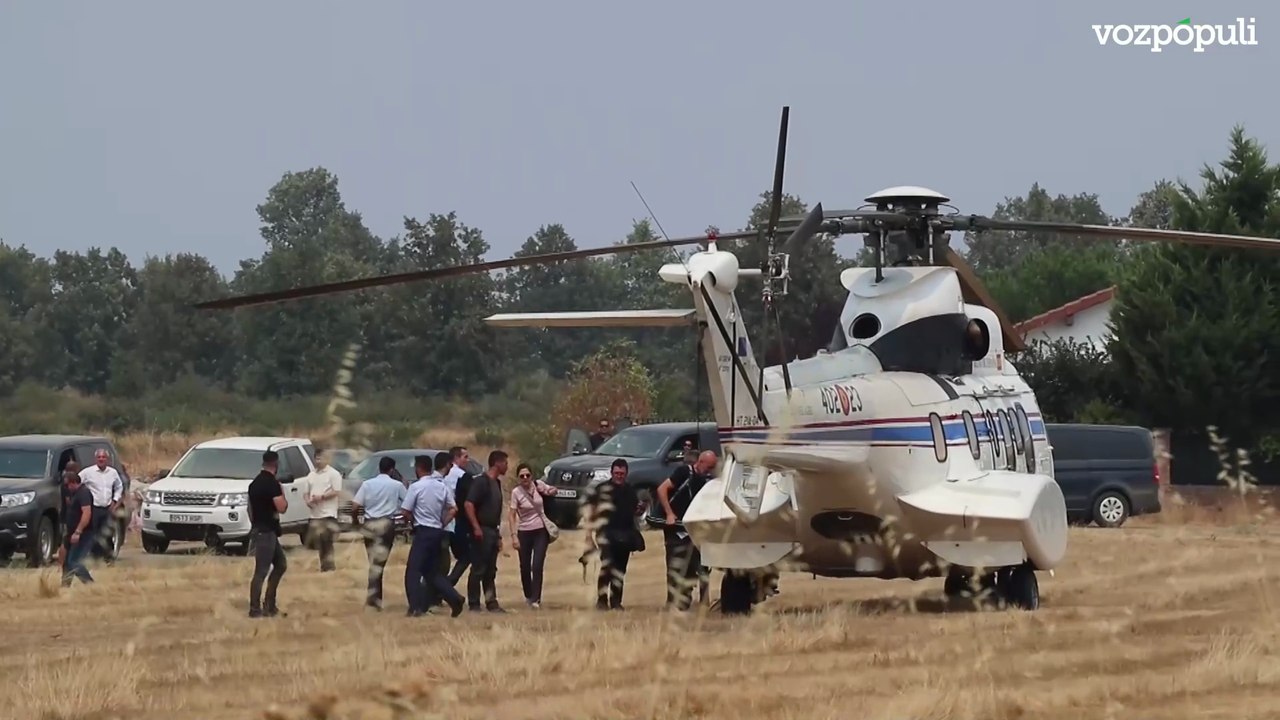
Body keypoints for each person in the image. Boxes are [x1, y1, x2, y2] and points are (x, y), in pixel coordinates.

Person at [401, 454, 465, 617]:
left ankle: (415, 607)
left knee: (413, 571)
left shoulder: (416, 487)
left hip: (423, 531)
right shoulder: (441, 486)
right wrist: (442, 522)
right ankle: (454, 598)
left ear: (418, 468)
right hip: (437, 531)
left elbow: (405, 511)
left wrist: (412, 521)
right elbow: (453, 509)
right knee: (432, 572)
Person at [657, 450, 717, 610]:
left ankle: (695, 602)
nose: (710, 470)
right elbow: (662, 489)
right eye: (709, 467)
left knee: (698, 566)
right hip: (676, 529)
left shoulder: (708, 480)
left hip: (696, 529)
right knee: (675, 565)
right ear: (701, 462)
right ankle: (672, 602)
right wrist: (670, 513)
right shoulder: (684, 472)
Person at [585, 458, 647, 610]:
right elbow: (591, 511)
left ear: (626, 473)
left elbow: (634, 513)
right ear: (611, 473)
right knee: (607, 567)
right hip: (605, 533)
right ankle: (601, 600)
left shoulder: (630, 490)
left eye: (622, 473)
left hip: (625, 534)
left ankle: (616, 601)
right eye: (616, 473)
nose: (619, 476)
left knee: (620, 570)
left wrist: (640, 508)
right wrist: (589, 535)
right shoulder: (602, 489)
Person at [351, 455, 408, 611]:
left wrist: (356, 521)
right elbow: (408, 502)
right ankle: (375, 599)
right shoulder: (396, 485)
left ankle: (373, 598)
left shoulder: (367, 484)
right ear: (392, 469)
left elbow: (355, 506)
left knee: (373, 562)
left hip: (369, 524)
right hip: (386, 524)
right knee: (379, 563)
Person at [509, 462, 560, 609]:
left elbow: (551, 491)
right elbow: (511, 514)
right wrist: (513, 536)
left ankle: (535, 598)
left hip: (540, 530)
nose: (525, 478)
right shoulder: (516, 493)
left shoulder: (538, 485)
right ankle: (528, 594)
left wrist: (552, 491)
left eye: (527, 475)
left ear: (532, 476)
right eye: (522, 476)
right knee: (524, 566)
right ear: (518, 478)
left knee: (537, 565)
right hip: (524, 531)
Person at [463, 450, 509, 613]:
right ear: (497, 463)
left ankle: (491, 601)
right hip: (481, 529)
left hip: (492, 530)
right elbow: (469, 504)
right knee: (478, 568)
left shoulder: (496, 483)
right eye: (505, 463)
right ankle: (474, 603)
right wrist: (476, 527)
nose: (507, 467)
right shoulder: (481, 482)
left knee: (490, 569)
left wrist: (498, 535)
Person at [247, 451, 289, 618]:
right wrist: (282, 492)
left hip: (260, 529)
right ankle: (255, 609)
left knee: (280, 564)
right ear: (276, 464)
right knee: (261, 571)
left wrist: (255, 524)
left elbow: (249, 509)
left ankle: (269, 605)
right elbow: (282, 508)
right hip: (267, 532)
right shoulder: (272, 484)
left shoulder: (254, 483)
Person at [301, 449, 343, 572]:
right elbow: (305, 492)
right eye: (317, 458)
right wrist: (308, 501)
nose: (318, 461)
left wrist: (322, 497)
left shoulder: (333, 474)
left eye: (321, 458)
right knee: (318, 542)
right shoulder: (311, 474)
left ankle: (329, 566)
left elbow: (336, 491)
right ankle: (323, 565)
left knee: (327, 540)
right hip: (315, 514)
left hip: (328, 513)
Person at [78, 449, 123, 561]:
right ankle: (96, 558)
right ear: (95, 459)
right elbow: (77, 482)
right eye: (99, 457)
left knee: (108, 533)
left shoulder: (113, 473)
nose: (101, 459)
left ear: (107, 459)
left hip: (108, 508)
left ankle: (109, 558)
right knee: (94, 534)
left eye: (103, 457)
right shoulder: (88, 472)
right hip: (94, 508)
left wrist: (115, 500)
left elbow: (119, 486)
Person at [60, 469, 94, 586]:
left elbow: (87, 513)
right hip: (72, 532)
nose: (66, 487)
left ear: (73, 482)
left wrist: (78, 532)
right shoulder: (74, 494)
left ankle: (90, 585)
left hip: (83, 534)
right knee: (67, 563)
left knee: (75, 561)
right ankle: (65, 586)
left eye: (67, 484)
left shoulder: (83, 493)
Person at [446, 446, 474, 585]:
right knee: (465, 556)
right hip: (456, 521)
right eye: (465, 457)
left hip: (443, 521)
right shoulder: (461, 476)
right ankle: (447, 586)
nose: (467, 461)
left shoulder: (445, 474)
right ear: (456, 458)